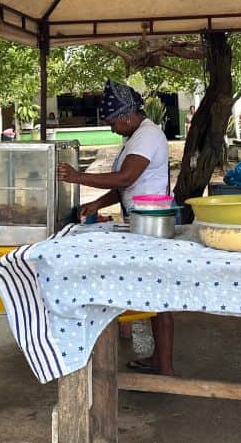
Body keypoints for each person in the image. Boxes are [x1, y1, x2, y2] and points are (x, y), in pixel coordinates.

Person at [57, 80, 175, 376]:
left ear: (125, 116)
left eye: (112, 123)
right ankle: (158, 359)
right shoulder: (135, 136)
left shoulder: (147, 136)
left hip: (153, 225)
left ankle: (165, 365)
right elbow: (127, 183)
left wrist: (76, 177)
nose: (111, 129)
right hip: (141, 221)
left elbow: (124, 178)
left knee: (160, 295)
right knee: (153, 292)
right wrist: (97, 204)